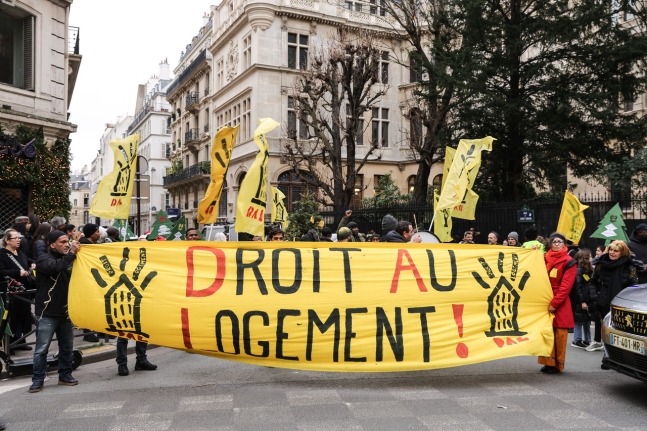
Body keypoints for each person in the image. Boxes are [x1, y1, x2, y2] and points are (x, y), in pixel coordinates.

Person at [29, 230, 81, 393]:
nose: (66, 245)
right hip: (47, 312)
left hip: (65, 311)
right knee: (41, 349)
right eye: (62, 242)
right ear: (52, 245)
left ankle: (65, 375)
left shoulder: (70, 259)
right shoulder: (44, 259)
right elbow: (55, 267)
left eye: (67, 242)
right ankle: (38, 379)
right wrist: (71, 254)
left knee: (67, 347)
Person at [586, 240, 644, 353]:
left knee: (617, 328)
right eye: (610, 250)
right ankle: (598, 343)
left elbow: (633, 286)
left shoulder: (629, 266)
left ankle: (614, 352)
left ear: (622, 252)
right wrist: (594, 296)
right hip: (602, 299)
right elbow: (593, 281)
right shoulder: (601, 264)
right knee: (601, 322)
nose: (612, 253)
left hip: (620, 301)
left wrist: (627, 300)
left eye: (616, 251)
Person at [538, 232, 577, 374]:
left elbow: (565, 287)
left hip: (559, 302)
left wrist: (554, 303)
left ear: (564, 244)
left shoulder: (569, 262)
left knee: (559, 334)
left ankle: (557, 364)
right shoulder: (543, 258)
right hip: (544, 299)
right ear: (550, 244)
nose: (557, 244)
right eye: (554, 241)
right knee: (546, 332)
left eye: (560, 241)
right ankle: (547, 362)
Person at [0, 229, 36, 353]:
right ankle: (8, 345)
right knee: (11, 317)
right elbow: (1, 272)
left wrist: (32, 264)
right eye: (15, 238)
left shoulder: (18, 252)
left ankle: (19, 340)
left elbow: (28, 260)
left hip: (23, 290)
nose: (18, 240)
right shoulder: (2, 254)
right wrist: (17, 272)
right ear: (7, 240)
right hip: (10, 291)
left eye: (19, 237)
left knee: (22, 315)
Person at [78, 223, 101, 342]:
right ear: (92, 233)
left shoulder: (92, 244)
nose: (99, 233)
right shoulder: (85, 246)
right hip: (87, 279)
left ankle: (99, 330)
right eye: (97, 232)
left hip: (94, 279)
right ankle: (88, 332)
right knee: (88, 306)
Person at [571, 249, 593, 349]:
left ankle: (587, 340)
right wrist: (582, 301)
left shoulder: (588, 270)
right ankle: (577, 340)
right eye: (590, 257)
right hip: (581, 300)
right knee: (579, 321)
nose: (592, 258)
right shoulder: (579, 270)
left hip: (587, 299)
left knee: (587, 321)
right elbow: (579, 287)